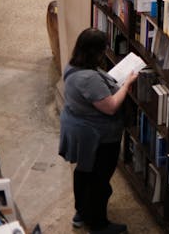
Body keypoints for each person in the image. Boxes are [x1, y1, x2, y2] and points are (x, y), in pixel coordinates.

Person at [58, 28, 138, 234]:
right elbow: (111, 106)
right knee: (99, 180)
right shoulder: (88, 78)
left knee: (84, 172)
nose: (104, 53)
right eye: (102, 50)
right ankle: (98, 223)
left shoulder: (73, 65)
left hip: (81, 130)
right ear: (95, 52)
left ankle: (82, 212)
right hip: (97, 137)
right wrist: (127, 84)